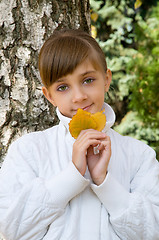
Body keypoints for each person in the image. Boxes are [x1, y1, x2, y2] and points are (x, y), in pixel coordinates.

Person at [0, 29, 159, 240]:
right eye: (63, 87)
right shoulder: (28, 150)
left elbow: (152, 231)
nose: (79, 97)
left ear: (106, 79)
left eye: (88, 80)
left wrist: (104, 181)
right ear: (49, 96)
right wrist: (73, 174)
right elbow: (11, 230)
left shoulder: (139, 156)